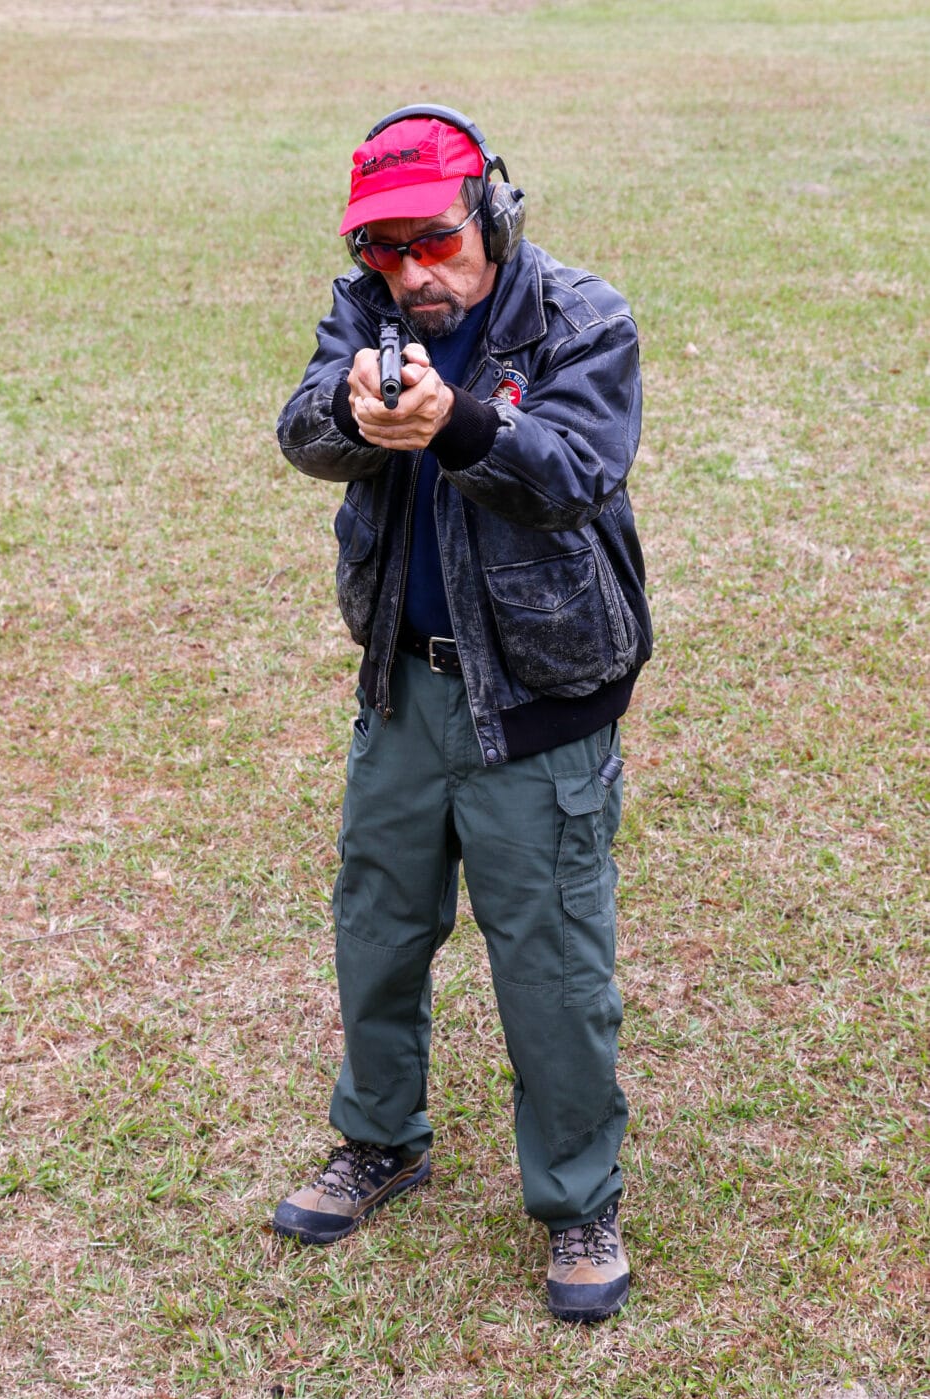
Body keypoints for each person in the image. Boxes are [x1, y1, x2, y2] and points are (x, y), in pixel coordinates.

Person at [272, 105, 652, 1324]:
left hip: (540, 705)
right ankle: (382, 1139)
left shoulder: (582, 317)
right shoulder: (370, 312)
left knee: (551, 970)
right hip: (403, 685)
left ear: (492, 213)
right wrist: (354, 413)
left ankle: (578, 1197)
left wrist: (460, 422)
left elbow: (576, 476)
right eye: (383, 247)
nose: (410, 273)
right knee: (377, 927)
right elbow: (302, 431)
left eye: (432, 239)